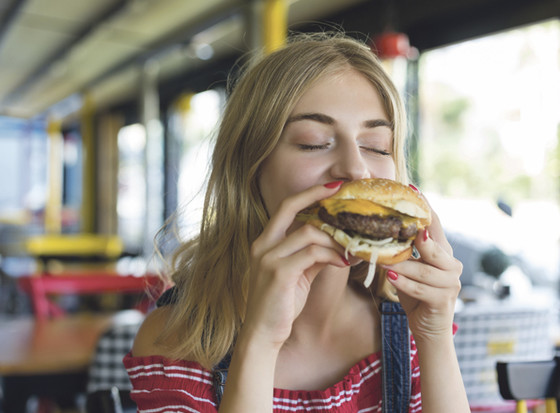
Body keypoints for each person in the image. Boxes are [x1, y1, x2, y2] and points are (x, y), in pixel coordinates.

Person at [124, 32, 470, 412]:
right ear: (250, 169)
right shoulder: (174, 341)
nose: (356, 168)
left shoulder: (410, 327)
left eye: (376, 147)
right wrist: (259, 341)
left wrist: (434, 337)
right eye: (313, 142)